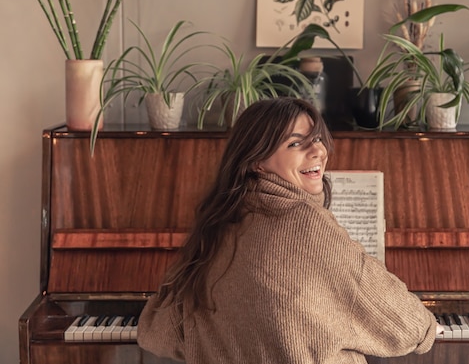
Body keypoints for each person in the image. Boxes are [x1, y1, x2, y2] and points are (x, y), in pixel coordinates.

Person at [137, 97, 438, 363]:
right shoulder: (307, 224)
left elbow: (158, 334)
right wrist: (426, 328)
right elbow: (405, 326)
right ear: (256, 161)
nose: (318, 151)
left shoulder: (218, 223)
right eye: (295, 143)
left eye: (317, 138)